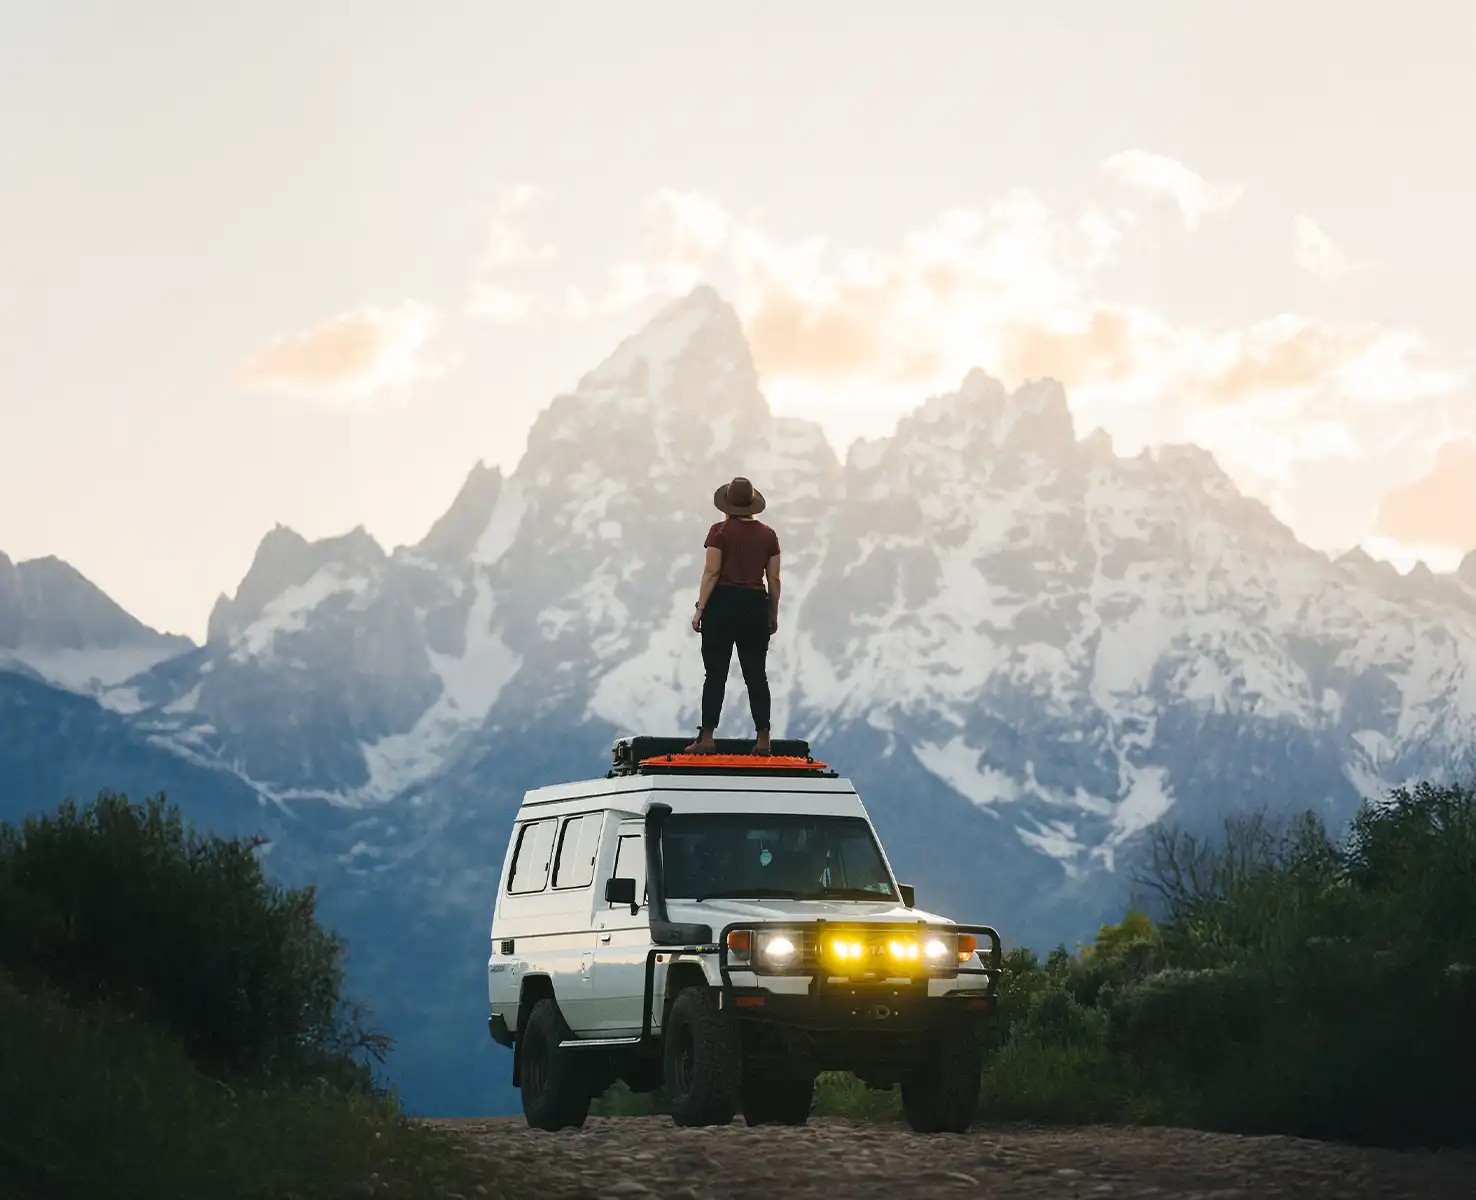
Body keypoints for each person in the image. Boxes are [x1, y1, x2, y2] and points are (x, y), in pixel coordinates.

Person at [686, 476, 781, 755]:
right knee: (756, 674)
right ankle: (763, 739)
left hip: (722, 605)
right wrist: (772, 612)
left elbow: (712, 572)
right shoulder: (768, 534)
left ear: (726, 505)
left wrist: (700, 608)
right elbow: (773, 578)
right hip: (755, 606)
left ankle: (707, 738)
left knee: (715, 673)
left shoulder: (719, 531)